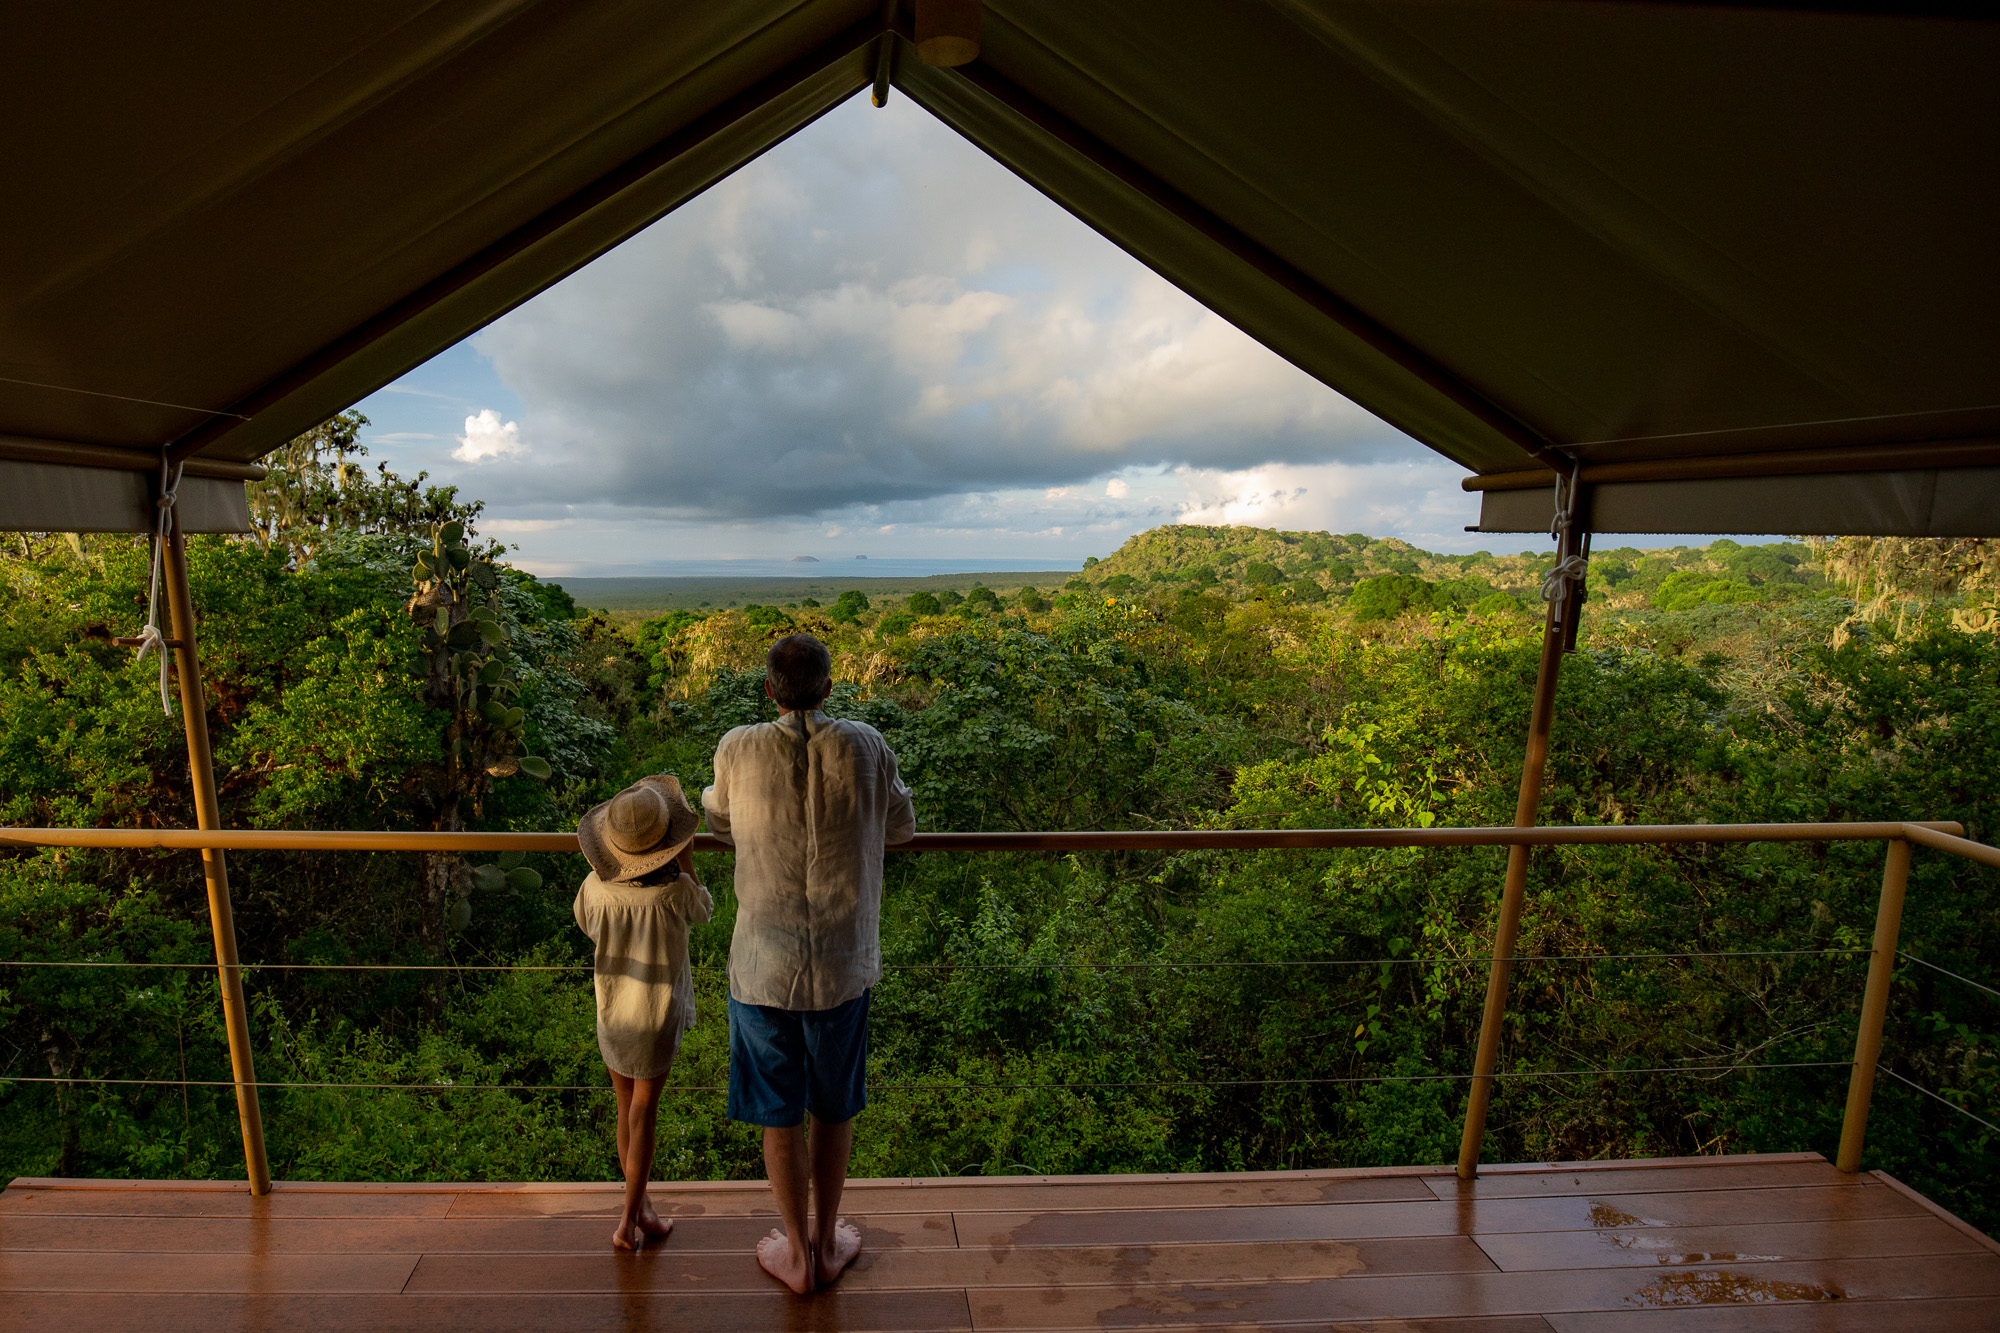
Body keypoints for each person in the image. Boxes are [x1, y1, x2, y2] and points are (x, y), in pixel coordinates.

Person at [703, 633, 915, 1294]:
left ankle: (796, 1253)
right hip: (844, 963)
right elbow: (902, 827)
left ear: (770, 690)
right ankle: (826, 1241)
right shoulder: (867, 745)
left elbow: (718, 823)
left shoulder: (738, 747)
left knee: (779, 1112)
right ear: (828, 688)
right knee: (833, 1107)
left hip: (762, 967)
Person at [574, 774, 713, 1251]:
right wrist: (688, 864)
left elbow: (586, 923)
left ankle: (643, 1209)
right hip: (656, 1017)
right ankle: (627, 1221)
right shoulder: (676, 894)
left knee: (625, 1107)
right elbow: (705, 911)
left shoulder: (595, 888)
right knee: (644, 1114)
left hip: (613, 1011)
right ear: (668, 844)